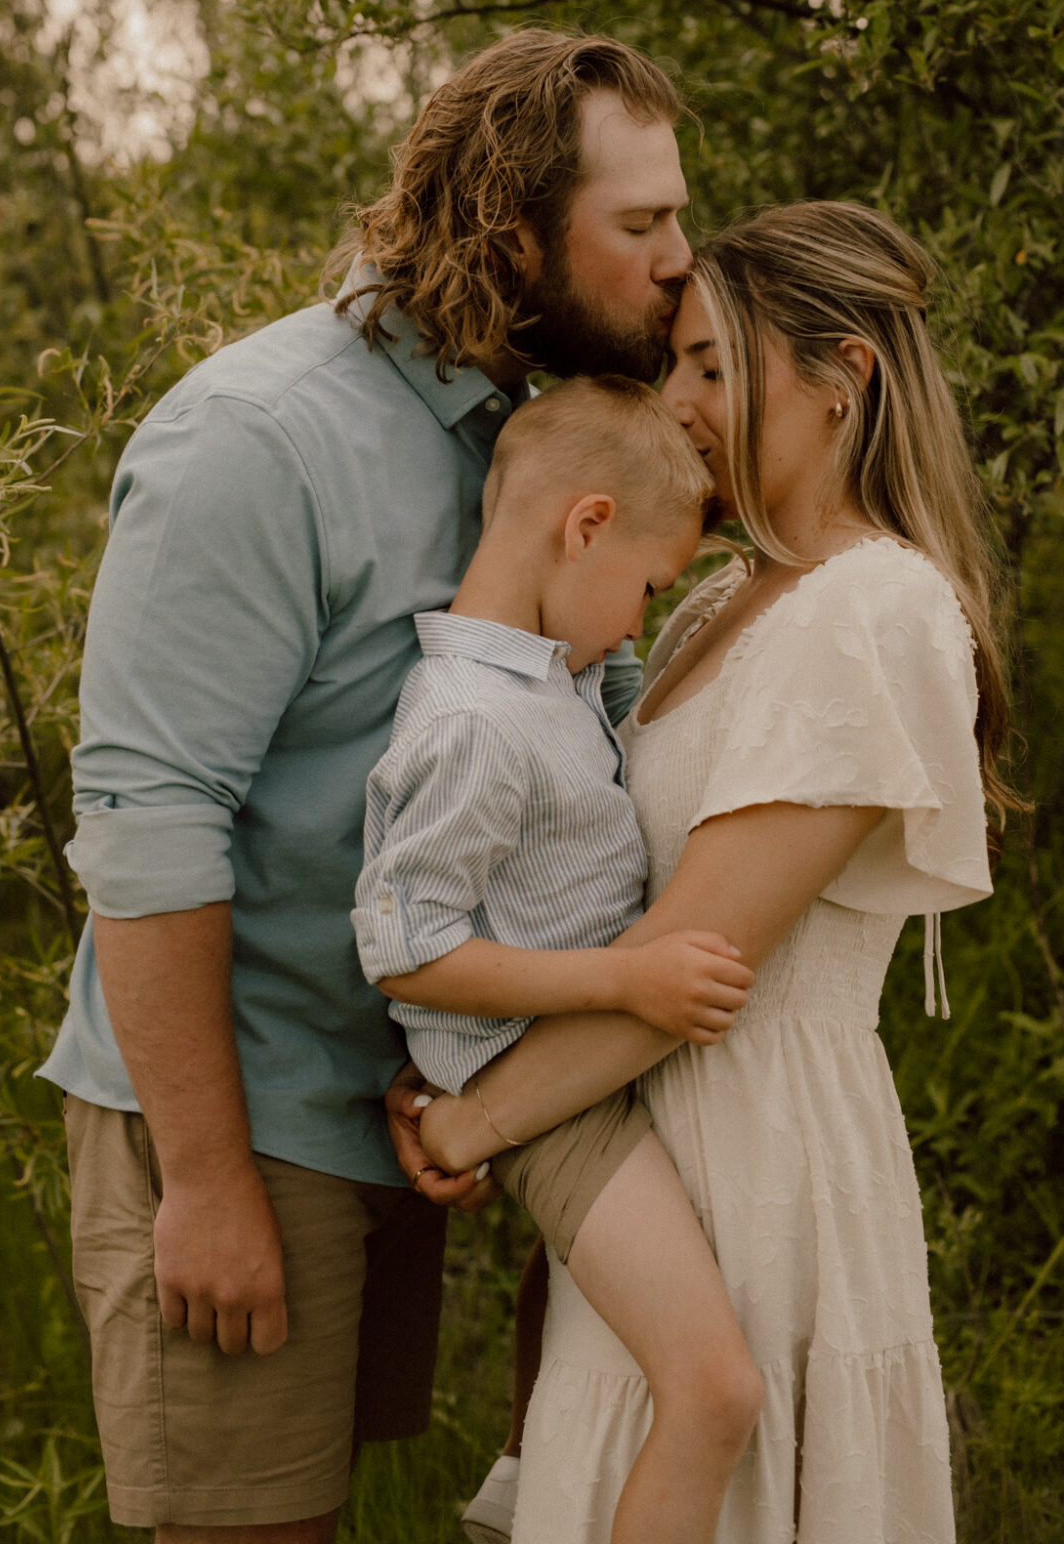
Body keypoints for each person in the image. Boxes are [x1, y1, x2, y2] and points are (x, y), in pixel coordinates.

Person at [36, 29, 694, 1542]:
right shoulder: (257, 440)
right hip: (230, 1115)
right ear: (516, 230)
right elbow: (148, 828)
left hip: (384, 1105)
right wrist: (200, 1182)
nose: (678, 261)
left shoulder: (524, 438)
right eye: (640, 225)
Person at [401, 198, 1013, 1543]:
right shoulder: (715, 601)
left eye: (713, 366)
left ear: (844, 375)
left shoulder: (877, 607)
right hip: (641, 1152)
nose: (674, 398)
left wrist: (473, 1121)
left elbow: (697, 947)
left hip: (765, 1160)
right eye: (674, 360)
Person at [353, 375, 762, 1544]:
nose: (639, 617)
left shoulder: (559, 676)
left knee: (627, 1380)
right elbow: (405, 947)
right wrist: (622, 981)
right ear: (582, 526)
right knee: (713, 1384)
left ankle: (520, 1495)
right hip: (551, 1103)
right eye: (643, 586)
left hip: (585, 1072)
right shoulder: (473, 720)